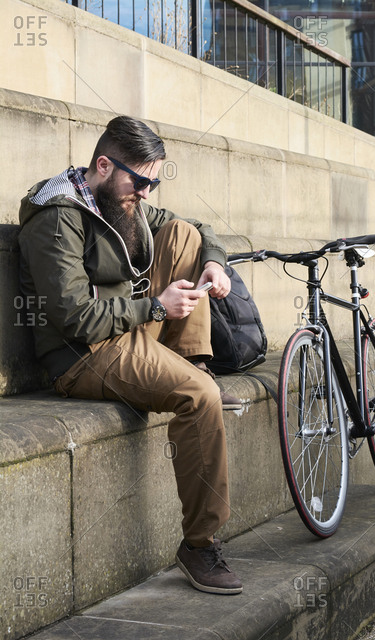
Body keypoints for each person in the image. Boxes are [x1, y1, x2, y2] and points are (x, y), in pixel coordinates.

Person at [18, 115, 243, 595]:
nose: (145, 193)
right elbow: (75, 318)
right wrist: (157, 306)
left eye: (153, 182)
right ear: (103, 165)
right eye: (139, 181)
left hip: (131, 330)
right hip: (82, 354)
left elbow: (198, 227)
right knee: (199, 396)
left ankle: (192, 361)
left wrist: (214, 263)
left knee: (183, 234)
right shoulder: (56, 218)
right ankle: (199, 545)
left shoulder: (123, 202)